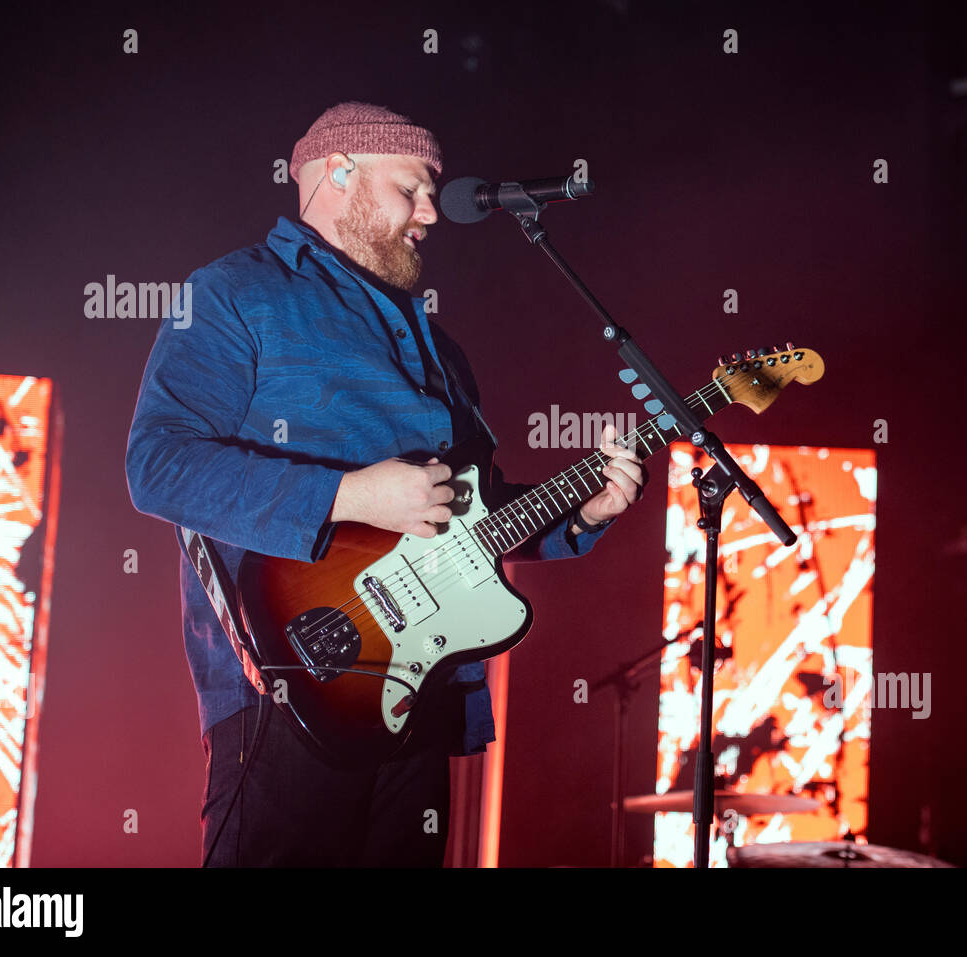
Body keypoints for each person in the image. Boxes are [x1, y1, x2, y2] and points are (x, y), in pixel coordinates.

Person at [125, 102, 646, 866]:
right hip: (295, 680)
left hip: (424, 686)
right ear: (340, 175)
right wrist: (350, 497)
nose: (432, 213)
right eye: (414, 189)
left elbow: (463, 516)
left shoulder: (442, 348)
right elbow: (159, 464)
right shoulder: (237, 293)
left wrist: (582, 511)